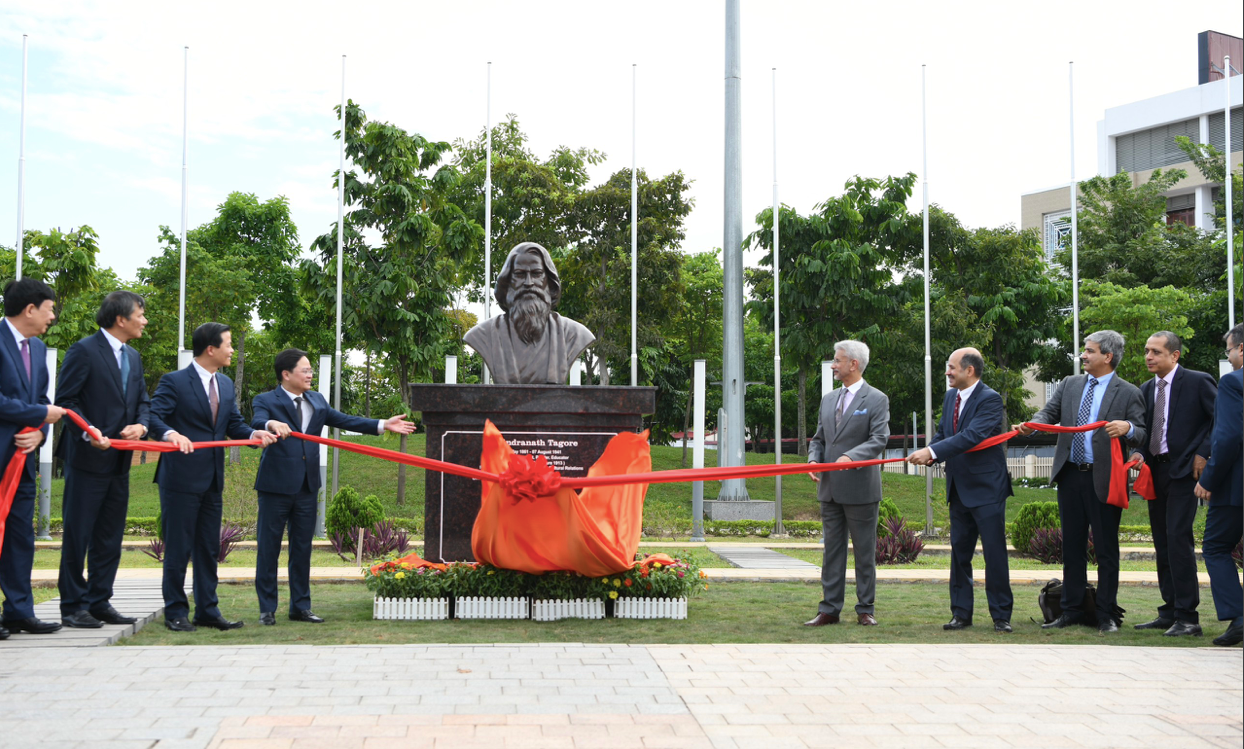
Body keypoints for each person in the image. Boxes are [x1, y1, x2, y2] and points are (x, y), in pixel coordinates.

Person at [251, 348, 414, 625]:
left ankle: (300, 607)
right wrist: (271, 423)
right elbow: (257, 422)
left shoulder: (316, 400)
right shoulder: (266, 399)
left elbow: (344, 420)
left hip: (307, 486)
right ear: (286, 374)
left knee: (302, 549)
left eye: (311, 370)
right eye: (305, 370)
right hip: (275, 486)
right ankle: (267, 609)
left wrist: (382, 425)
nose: (310, 374)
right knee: (269, 548)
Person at [148, 322, 276, 632]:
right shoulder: (175, 382)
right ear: (210, 348)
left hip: (212, 480)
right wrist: (170, 433)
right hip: (179, 478)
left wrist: (255, 432)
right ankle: (176, 612)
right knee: (178, 548)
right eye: (229, 344)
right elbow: (152, 416)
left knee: (208, 548)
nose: (232, 350)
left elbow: (234, 424)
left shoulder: (227, 384)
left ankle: (207, 610)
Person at [1020, 330, 1146, 633]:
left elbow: (1141, 432)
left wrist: (1127, 427)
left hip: (1104, 479)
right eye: (1083, 351)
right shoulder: (1070, 384)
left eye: (1089, 351)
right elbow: (1049, 413)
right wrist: (1031, 426)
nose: (1083, 356)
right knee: (1072, 547)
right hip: (1070, 475)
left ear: (1108, 356)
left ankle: (1106, 614)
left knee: (1105, 549)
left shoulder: (1128, 392)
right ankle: (1072, 610)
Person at [54, 291, 151, 629]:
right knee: (78, 535)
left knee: (109, 537)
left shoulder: (134, 357)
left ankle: (99, 601)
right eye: (140, 313)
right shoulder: (83, 351)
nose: (145, 320)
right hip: (86, 460)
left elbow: (143, 401)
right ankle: (71, 606)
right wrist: (88, 432)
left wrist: (142, 424)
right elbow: (66, 401)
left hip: (119, 463)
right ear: (120, 318)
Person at [908, 348, 1014, 633]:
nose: (947, 372)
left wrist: (931, 450)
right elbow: (945, 433)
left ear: (970, 370)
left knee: (994, 553)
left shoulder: (990, 399)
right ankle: (961, 613)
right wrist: (933, 453)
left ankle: (1001, 615)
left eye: (952, 367)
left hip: (987, 488)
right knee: (959, 554)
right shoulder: (950, 396)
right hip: (958, 488)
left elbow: (972, 436)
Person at [1134, 331, 1216, 637]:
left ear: (1175, 355)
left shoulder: (1197, 381)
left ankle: (1188, 617)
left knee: (1178, 539)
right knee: (1162, 542)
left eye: (1155, 352)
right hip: (1157, 474)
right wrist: (1139, 454)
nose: (1149, 357)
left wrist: (1203, 454)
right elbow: (1146, 432)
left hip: (1186, 473)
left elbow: (1220, 419)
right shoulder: (1146, 389)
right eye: (1146, 351)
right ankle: (1169, 611)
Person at [804, 340, 890, 627]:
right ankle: (829, 609)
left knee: (865, 553)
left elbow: (879, 440)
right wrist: (814, 460)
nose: (833, 365)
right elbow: (819, 439)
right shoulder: (828, 399)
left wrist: (849, 457)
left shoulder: (876, 399)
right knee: (832, 553)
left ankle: (865, 609)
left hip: (861, 490)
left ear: (853, 364)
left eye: (838, 360)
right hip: (829, 489)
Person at [0, 278, 67, 638]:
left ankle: (18, 611)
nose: (52, 316)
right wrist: (39, 413)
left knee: (19, 536)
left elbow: (41, 400)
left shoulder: (39, 349)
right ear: (29, 309)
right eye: (50, 308)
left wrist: (40, 431)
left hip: (23, 459)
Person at [463, 242, 594, 384]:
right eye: (519, 274)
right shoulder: (484, 335)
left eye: (537, 274)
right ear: (507, 283)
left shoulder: (573, 334)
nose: (528, 283)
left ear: (549, 282)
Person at [1194, 323, 1243, 647]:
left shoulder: (1233, 383)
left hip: (1235, 487)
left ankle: (1239, 616)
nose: (1228, 356)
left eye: (1228, 350)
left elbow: (1227, 437)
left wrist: (1208, 479)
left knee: (1214, 546)